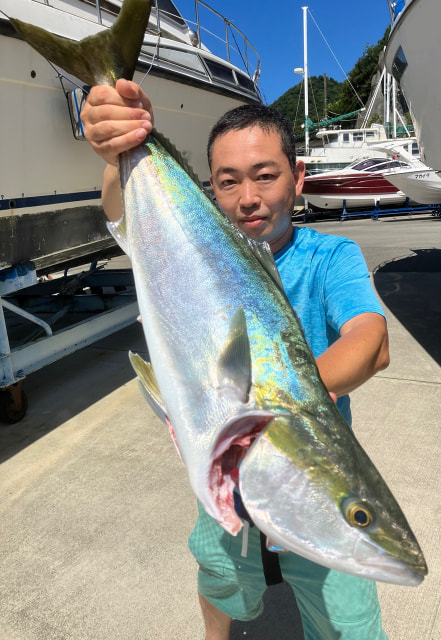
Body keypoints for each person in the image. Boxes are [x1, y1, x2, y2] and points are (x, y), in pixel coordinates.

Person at [81, 79, 390, 640]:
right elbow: (124, 214)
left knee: (350, 624)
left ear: (297, 179)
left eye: (266, 175)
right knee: (222, 582)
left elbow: (371, 341)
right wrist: (117, 151)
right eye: (228, 182)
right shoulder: (187, 242)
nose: (248, 197)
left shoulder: (331, 257)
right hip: (223, 477)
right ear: (212, 191)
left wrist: (281, 397)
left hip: (308, 480)